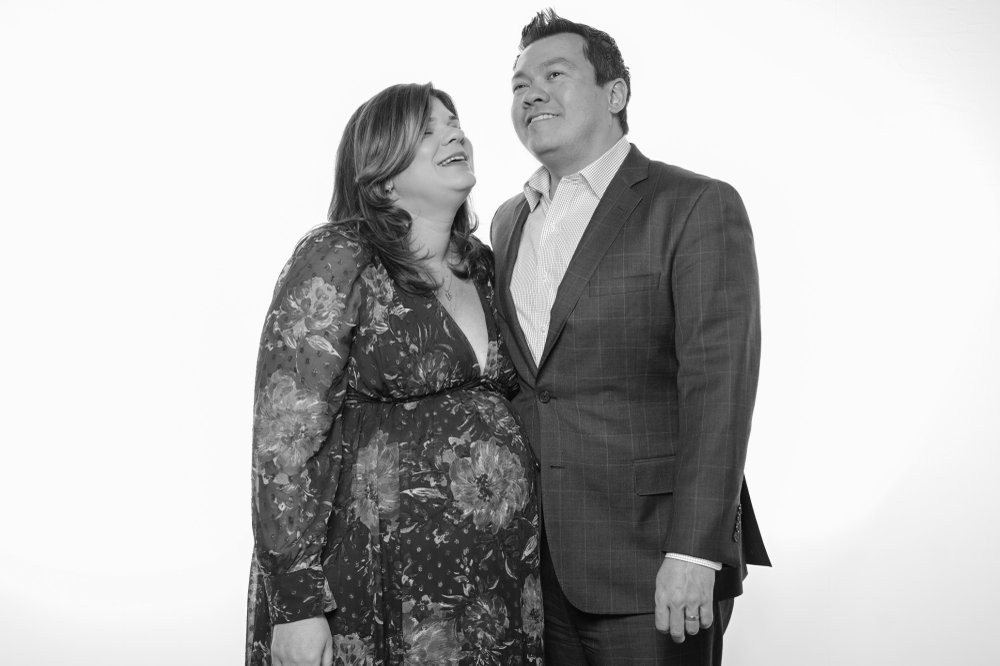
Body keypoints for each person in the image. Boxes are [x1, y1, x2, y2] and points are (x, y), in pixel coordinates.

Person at [490, 10, 771, 665]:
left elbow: (720, 389)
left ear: (615, 93)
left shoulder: (694, 205)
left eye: (554, 75)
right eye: (519, 83)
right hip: (534, 566)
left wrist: (694, 550)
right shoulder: (507, 222)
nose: (531, 93)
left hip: (655, 562)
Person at [246, 83, 542, 666]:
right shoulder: (340, 256)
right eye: (428, 130)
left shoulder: (484, 265)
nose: (455, 135)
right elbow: (285, 437)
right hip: (373, 575)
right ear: (381, 177)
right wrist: (296, 604)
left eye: (454, 123)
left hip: (493, 583)